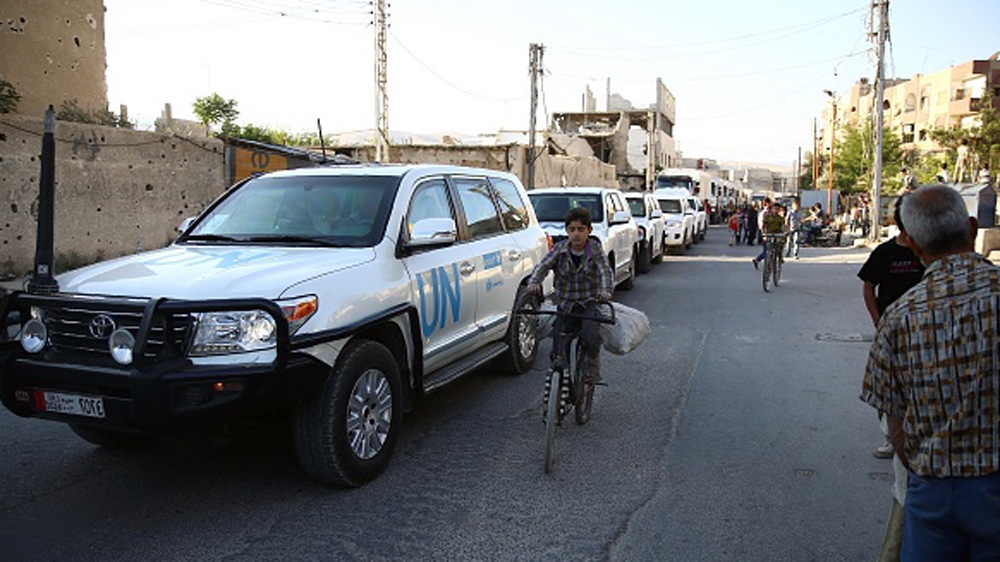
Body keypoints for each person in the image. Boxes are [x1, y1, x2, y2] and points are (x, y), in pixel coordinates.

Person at [861, 184, 1000, 561]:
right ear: (972, 228)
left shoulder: (899, 316)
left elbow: (894, 423)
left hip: (932, 490)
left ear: (915, 246)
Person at [527, 206, 613, 383]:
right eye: (572, 229)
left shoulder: (594, 249)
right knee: (558, 344)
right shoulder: (559, 249)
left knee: (590, 336)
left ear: (589, 230)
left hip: (589, 302)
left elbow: (605, 271)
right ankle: (560, 377)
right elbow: (543, 266)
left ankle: (592, 364)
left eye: (581, 229)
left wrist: (605, 291)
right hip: (566, 304)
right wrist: (534, 282)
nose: (576, 234)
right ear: (566, 231)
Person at [751, 202, 785, 270]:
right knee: (767, 250)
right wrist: (764, 233)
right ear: (772, 209)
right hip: (768, 234)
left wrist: (784, 233)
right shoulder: (768, 217)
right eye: (775, 209)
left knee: (779, 246)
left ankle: (779, 257)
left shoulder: (781, 218)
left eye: (778, 209)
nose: (776, 210)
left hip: (777, 235)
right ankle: (766, 264)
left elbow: (783, 227)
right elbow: (764, 225)